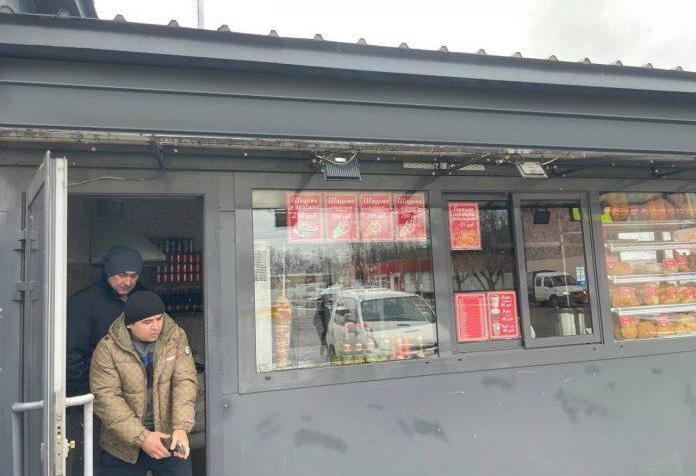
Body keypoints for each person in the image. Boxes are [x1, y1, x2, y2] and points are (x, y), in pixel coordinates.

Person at [90, 291, 197, 475]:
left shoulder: (175, 337)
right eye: (147, 322)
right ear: (130, 324)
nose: (155, 326)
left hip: (169, 436)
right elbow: (106, 398)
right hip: (123, 445)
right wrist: (143, 438)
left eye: (159, 319)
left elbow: (184, 381)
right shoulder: (108, 348)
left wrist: (181, 427)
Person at [66, 245, 145, 475]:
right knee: (92, 460)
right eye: (122, 275)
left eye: (133, 276)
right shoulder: (83, 303)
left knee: (129, 460)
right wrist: (85, 396)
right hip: (93, 399)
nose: (128, 282)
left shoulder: (143, 298)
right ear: (108, 272)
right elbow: (72, 355)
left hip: (135, 398)